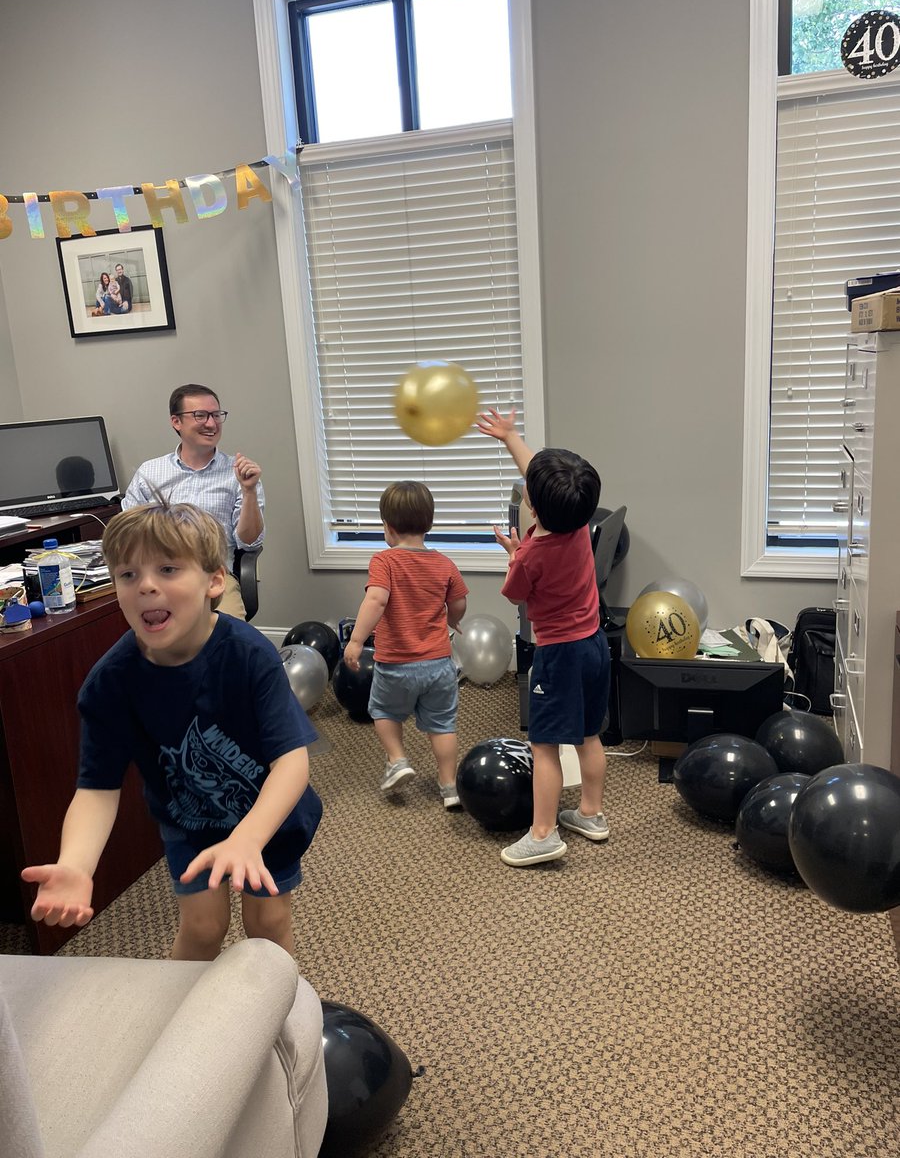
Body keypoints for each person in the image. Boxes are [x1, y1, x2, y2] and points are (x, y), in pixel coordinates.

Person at [20, 499, 322, 960]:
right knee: (203, 928)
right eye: (127, 575)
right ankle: (176, 1021)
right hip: (189, 820)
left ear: (214, 580)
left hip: (268, 817)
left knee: (267, 925)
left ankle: (279, 1020)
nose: (145, 587)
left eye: (167, 569)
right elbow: (96, 789)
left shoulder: (249, 654)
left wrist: (248, 838)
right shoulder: (110, 681)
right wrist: (76, 865)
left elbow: (291, 760)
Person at [477, 408, 610, 867]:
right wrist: (511, 437)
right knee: (589, 734)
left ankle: (543, 833)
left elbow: (516, 594)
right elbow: (535, 474)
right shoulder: (577, 527)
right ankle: (590, 813)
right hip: (595, 645)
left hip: (559, 655)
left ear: (531, 505)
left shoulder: (533, 554)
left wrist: (514, 556)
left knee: (545, 744)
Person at [343, 481, 469, 808]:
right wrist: (453, 620)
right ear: (428, 523)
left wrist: (357, 640)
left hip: (395, 664)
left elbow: (376, 600)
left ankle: (398, 759)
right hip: (439, 665)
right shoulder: (444, 563)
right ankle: (449, 786)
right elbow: (458, 602)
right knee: (442, 726)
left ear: (388, 527)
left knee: (384, 711)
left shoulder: (384, 561)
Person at [122, 383, 264, 619]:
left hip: (212, 577)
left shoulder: (238, 473)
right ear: (176, 422)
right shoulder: (150, 473)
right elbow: (127, 533)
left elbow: (249, 543)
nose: (211, 423)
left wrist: (249, 491)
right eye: (200, 415)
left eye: (216, 415)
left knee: (228, 640)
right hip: (159, 576)